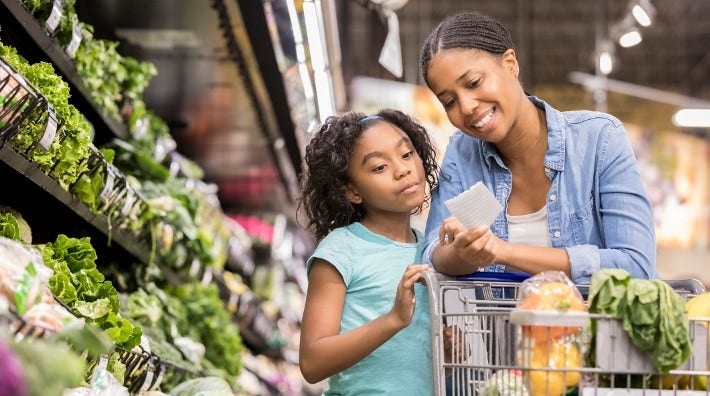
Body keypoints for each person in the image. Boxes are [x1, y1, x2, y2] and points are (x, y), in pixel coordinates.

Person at [418, 10, 659, 285]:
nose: (467, 107)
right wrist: (462, 252)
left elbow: (636, 265)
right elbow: (431, 257)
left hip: (598, 327)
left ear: (510, 63)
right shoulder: (462, 155)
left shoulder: (599, 140)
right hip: (498, 329)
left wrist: (503, 251)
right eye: (449, 102)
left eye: (473, 83)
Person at [297, 109, 442, 394]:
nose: (402, 170)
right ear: (352, 191)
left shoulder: (431, 249)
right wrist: (392, 320)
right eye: (379, 167)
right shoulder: (341, 249)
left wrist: (448, 347)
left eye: (406, 154)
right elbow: (312, 362)